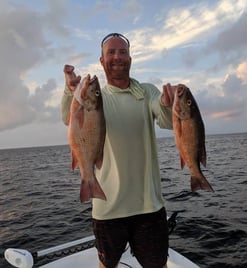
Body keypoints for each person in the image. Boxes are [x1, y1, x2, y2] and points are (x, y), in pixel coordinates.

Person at [61, 33, 187, 268]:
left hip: (149, 206)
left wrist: (169, 105)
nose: (117, 57)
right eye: (111, 52)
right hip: (107, 207)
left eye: (122, 52)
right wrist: (70, 91)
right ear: (101, 60)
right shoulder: (98, 96)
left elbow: (167, 121)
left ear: (130, 58)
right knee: (107, 264)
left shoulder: (146, 92)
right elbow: (67, 118)